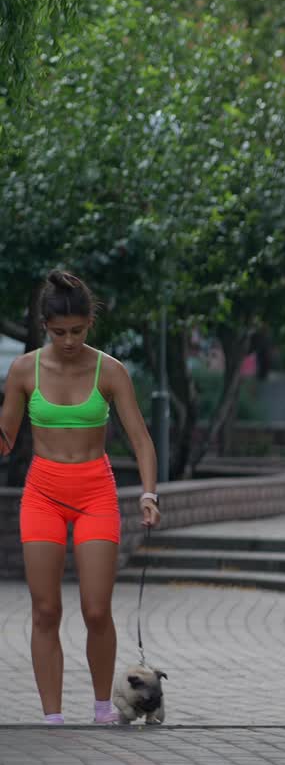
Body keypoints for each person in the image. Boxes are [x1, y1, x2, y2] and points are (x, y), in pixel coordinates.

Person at [0, 270, 161, 725]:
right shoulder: (23, 370)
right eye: (58, 332)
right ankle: (52, 716)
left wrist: (149, 493)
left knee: (95, 608)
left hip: (95, 492)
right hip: (43, 494)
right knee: (46, 608)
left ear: (90, 322)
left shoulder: (110, 371)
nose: (68, 340)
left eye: (77, 330)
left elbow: (141, 440)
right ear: (44, 327)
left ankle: (102, 707)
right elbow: (6, 437)